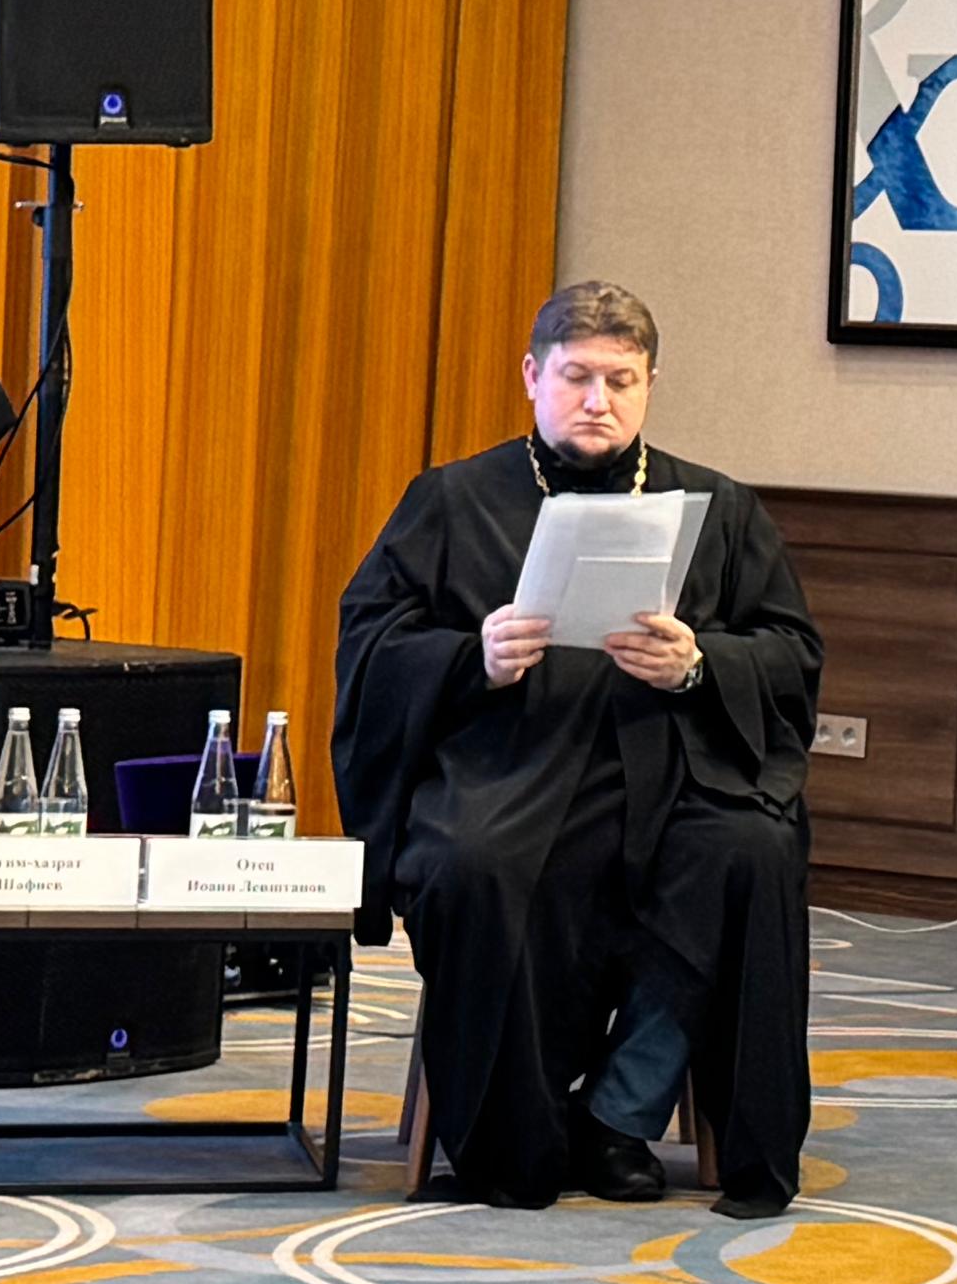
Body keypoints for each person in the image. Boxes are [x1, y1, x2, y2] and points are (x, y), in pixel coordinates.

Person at [333, 281, 823, 1217]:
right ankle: (518, 1135)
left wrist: (699, 663)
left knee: (749, 853)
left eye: (621, 381)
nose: (599, 400)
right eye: (577, 377)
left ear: (651, 385)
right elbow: (372, 644)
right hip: (509, 763)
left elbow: (792, 650)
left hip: (676, 768)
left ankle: (617, 1116)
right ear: (533, 376)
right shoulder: (453, 500)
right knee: (475, 865)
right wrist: (471, 659)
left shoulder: (718, 506)